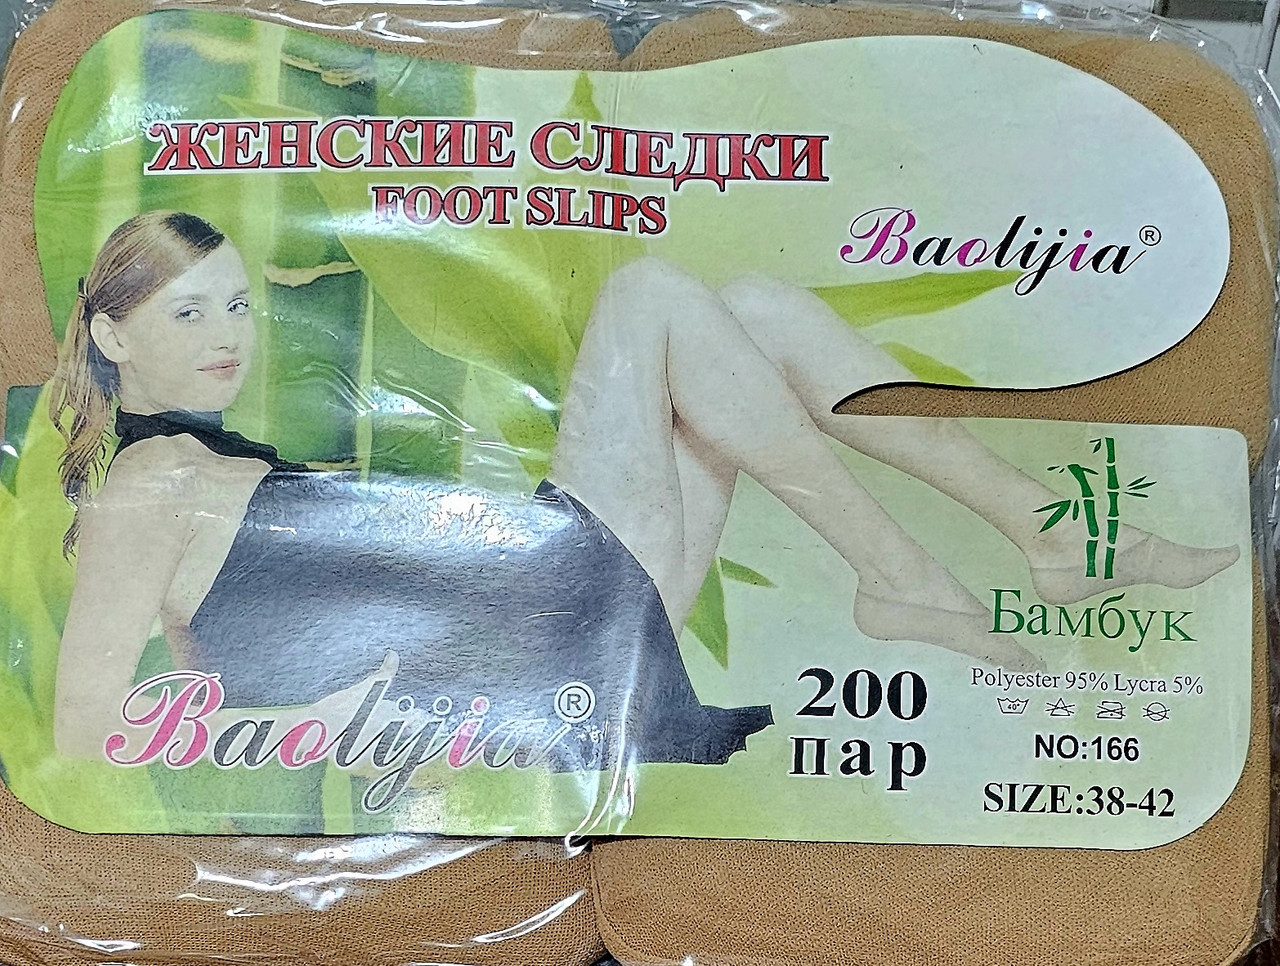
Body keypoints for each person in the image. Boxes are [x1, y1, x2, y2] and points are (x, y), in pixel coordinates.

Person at [49, 211, 1236, 768]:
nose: (227, 336)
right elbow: (90, 730)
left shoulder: (210, 463)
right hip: (534, 662)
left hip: (542, 615)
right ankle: (905, 575)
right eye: (186, 313)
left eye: (235, 305)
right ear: (110, 335)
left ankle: (1038, 530)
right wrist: (342, 720)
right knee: (653, 295)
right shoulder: (139, 495)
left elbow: (250, 631)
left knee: (757, 311)